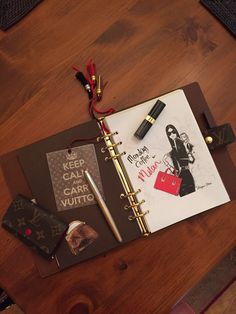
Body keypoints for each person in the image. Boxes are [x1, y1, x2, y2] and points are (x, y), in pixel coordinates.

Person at [163, 125, 195, 197]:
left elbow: (192, 160)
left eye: (173, 132)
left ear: (176, 131)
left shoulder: (183, 144)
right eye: (169, 133)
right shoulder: (173, 149)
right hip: (178, 177)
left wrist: (188, 151)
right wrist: (168, 164)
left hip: (186, 174)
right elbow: (172, 156)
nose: (172, 134)